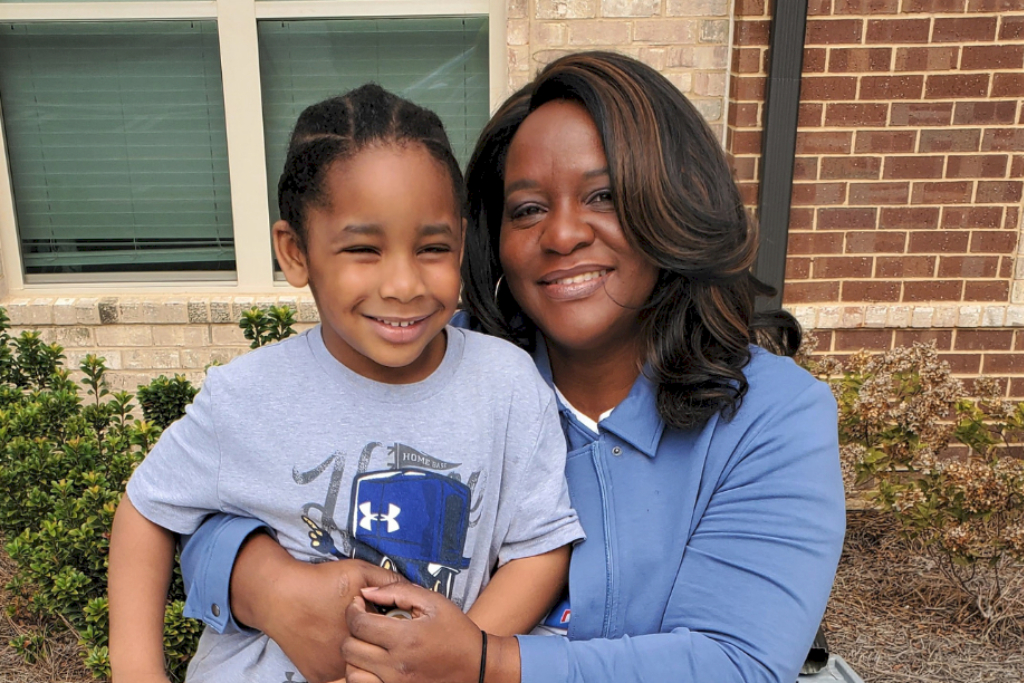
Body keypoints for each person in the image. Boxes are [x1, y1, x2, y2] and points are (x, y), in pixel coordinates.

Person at [179, 51, 847, 683]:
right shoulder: (437, 365)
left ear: (673, 200)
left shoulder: (767, 414)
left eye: (605, 196)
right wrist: (265, 581)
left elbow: (734, 664)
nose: (561, 235)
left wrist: (484, 662)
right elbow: (214, 508)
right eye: (527, 209)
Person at [107, 84, 584, 683]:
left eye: (432, 247)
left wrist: (458, 657)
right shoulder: (246, 395)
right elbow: (146, 514)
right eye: (364, 248)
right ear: (295, 251)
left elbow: (540, 548)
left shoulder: (507, 385)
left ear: (462, 241)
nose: (404, 283)